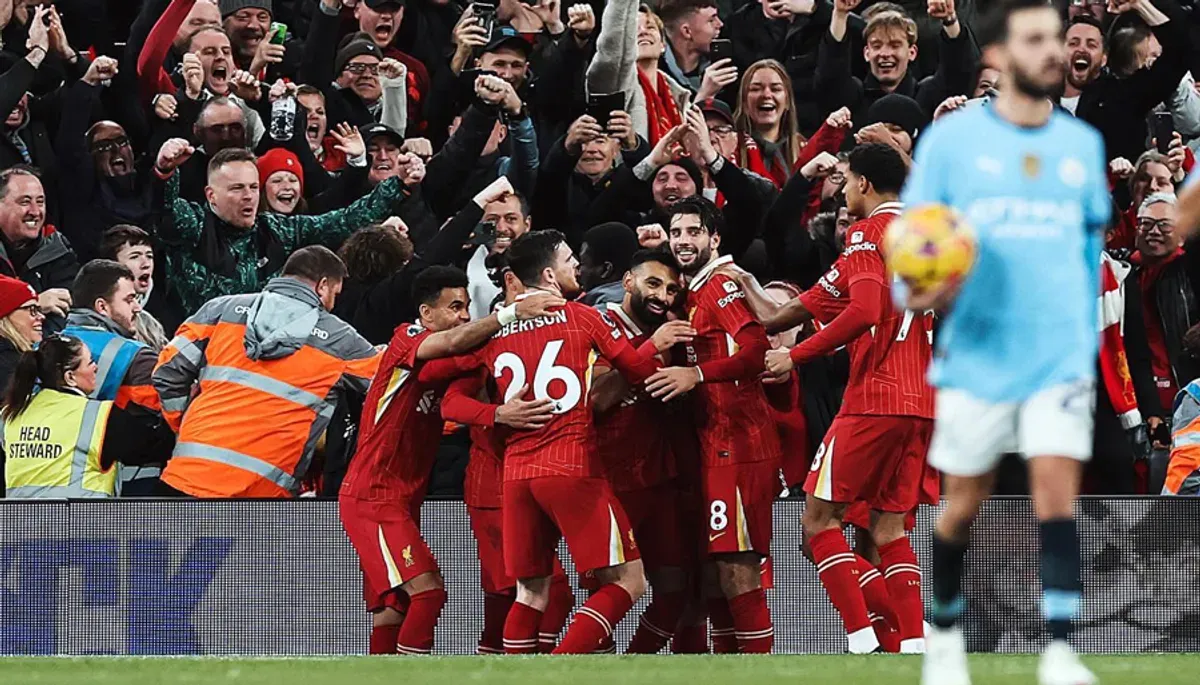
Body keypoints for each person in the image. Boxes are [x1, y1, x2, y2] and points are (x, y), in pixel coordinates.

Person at [897, 2, 1111, 683]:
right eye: (1037, 40)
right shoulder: (952, 144)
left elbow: (1089, 253)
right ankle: (947, 635)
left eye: (1058, 39)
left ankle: (1058, 647)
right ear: (999, 54)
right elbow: (914, 256)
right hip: (978, 353)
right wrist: (919, 295)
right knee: (961, 504)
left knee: (1056, 494)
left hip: (1057, 351)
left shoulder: (1081, 144)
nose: (1053, 50)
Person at [742, 143, 931, 654]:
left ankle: (861, 639)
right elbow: (823, 296)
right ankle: (912, 642)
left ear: (865, 183)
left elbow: (865, 308)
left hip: (874, 397)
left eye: (847, 181)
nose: (844, 192)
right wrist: (757, 309)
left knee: (817, 522)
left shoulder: (869, 232)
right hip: (920, 401)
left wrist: (794, 356)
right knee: (888, 527)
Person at [339, 265, 562, 655]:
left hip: (403, 498)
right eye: (454, 307)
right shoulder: (405, 339)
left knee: (393, 608)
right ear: (426, 315)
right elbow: (451, 353)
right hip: (372, 496)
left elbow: (454, 367)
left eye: (466, 307)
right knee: (428, 593)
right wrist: (508, 316)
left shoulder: (442, 364)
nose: (463, 315)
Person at [467, 229, 662, 654]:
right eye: (569, 257)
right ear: (551, 275)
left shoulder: (495, 330)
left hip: (516, 475)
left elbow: (453, 395)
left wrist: (495, 414)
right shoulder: (583, 317)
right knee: (630, 580)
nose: (576, 265)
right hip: (572, 466)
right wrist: (656, 344)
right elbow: (636, 370)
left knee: (530, 592)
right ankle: (561, 667)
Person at [648, 195, 781, 653]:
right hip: (714, 443)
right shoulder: (692, 291)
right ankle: (723, 669)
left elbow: (756, 349)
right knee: (713, 570)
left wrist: (697, 374)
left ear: (714, 239)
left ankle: (759, 670)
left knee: (734, 565)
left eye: (693, 232)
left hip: (739, 442)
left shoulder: (721, 286)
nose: (682, 241)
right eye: (676, 232)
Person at [152, 246, 381, 498]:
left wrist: (181, 424)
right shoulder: (340, 340)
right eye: (334, 295)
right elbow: (389, 379)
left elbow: (167, 371)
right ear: (323, 286)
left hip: (185, 479)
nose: (332, 305)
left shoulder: (220, 310)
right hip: (263, 497)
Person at [152, 141, 401, 315]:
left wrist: (399, 185)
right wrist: (165, 171)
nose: (249, 196)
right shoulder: (193, 226)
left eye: (252, 187)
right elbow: (163, 209)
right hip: (201, 355)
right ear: (211, 195)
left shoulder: (275, 229)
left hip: (262, 355)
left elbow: (343, 221)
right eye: (237, 188)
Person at [589, 249, 695, 653]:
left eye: (670, 289)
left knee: (674, 590)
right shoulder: (599, 324)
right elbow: (597, 400)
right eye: (653, 283)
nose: (663, 296)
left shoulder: (672, 333)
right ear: (628, 282)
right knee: (610, 592)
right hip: (610, 481)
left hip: (657, 478)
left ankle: (634, 667)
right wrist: (650, 347)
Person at [2, 334, 173, 498]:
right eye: (90, 362)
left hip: (20, 524)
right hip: (78, 523)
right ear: (70, 377)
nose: (96, 367)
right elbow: (157, 447)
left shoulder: (11, 412)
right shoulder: (99, 416)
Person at [63, 260, 174, 496]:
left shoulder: (43, 347)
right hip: (123, 486)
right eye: (129, 299)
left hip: (42, 486)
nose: (137, 308)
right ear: (102, 307)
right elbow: (167, 421)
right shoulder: (135, 357)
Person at [816, 0, 976, 127]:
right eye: (877, 46)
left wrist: (949, 19)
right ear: (866, 53)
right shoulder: (854, 97)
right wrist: (840, 14)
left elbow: (957, 71)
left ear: (912, 52)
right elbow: (831, 73)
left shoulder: (927, 94)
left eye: (895, 45)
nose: (885, 54)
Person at [0, 168, 80, 334]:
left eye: (40, 202)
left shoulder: (58, 249)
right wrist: (33, 303)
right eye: (24, 202)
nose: (35, 212)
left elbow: (67, 314)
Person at [99, 225, 170, 351]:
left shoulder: (165, 307)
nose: (146, 264)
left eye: (149, 256)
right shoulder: (101, 309)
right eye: (135, 257)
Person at [579, 222, 641, 305]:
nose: (578, 272)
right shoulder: (644, 302)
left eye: (582, 264)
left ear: (606, 270)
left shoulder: (597, 314)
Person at [0, 276, 44, 391]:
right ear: (6, 315)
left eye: (39, 310)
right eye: (32, 310)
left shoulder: (17, 358)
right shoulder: (8, 368)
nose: (42, 317)